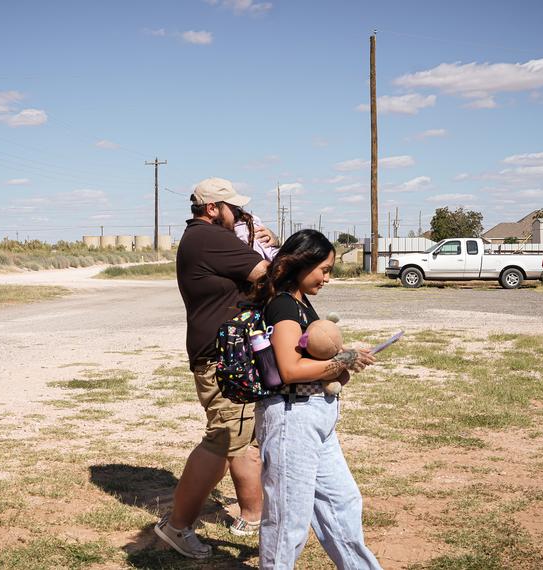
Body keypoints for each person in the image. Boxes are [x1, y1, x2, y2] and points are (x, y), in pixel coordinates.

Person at [154, 177, 274, 559]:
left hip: (228, 352)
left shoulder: (201, 238)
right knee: (224, 437)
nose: (238, 214)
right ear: (212, 208)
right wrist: (276, 248)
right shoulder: (211, 238)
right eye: (233, 208)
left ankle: (252, 514)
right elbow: (270, 276)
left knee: (241, 434)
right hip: (223, 357)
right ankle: (176, 527)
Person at [250, 229, 382, 570]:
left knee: (342, 503)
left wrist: (347, 355)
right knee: (287, 521)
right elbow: (290, 369)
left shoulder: (300, 302)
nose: (327, 278)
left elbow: (313, 355)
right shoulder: (281, 305)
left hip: (316, 418)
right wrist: (343, 362)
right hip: (291, 419)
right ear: (301, 263)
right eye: (323, 269)